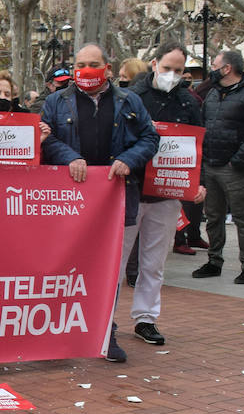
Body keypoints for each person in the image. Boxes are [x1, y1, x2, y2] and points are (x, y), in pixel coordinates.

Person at [40, 42, 159, 364]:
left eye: (93, 63)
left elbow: (150, 138)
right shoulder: (56, 101)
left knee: (109, 268)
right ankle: (57, 333)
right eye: (80, 64)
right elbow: (46, 139)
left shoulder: (129, 100)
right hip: (70, 198)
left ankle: (106, 330)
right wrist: (70, 157)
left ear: (107, 67)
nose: (86, 70)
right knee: (64, 265)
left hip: (116, 196)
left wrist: (127, 160)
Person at [125, 41, 205, 346]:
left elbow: (198, 146)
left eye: (179, 70)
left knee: (155, 261)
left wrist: (199, 182)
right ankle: (106, 320)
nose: (172, 74)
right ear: (154, 63)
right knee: (118, 260)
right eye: (167, 67)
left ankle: (146, 318)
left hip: (167, 191)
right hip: (132, 188)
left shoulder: (189, 102)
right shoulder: (133, 97)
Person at [192, 49, 244, 284]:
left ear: (227, 69)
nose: (211, 69)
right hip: (212, 163)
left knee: (242, 218)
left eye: (215, 65)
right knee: (213, 216)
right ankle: (214, 260)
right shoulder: (214, 93)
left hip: (235, 167)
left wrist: (238, 160)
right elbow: (204, 125)